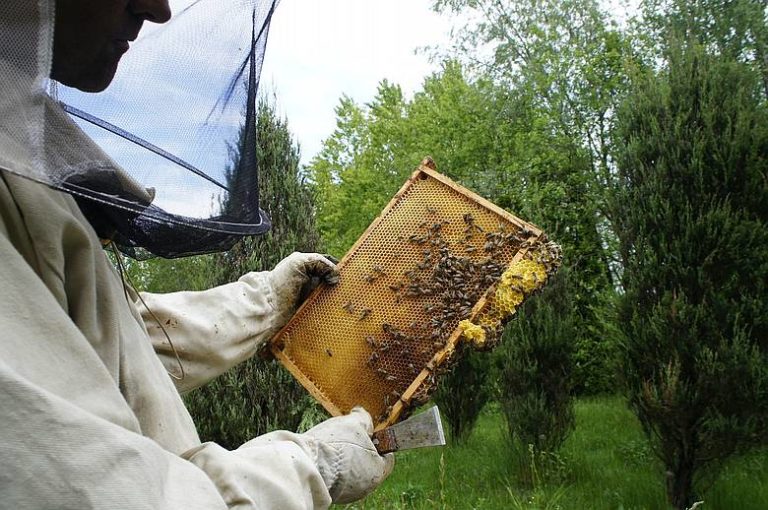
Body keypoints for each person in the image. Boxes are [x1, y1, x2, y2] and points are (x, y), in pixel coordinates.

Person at [0, 1, 393, 508]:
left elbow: (105, 345)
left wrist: (266, 301)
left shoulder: (19, 158)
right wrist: (314, 466)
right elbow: (119, 497)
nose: (158, 10)